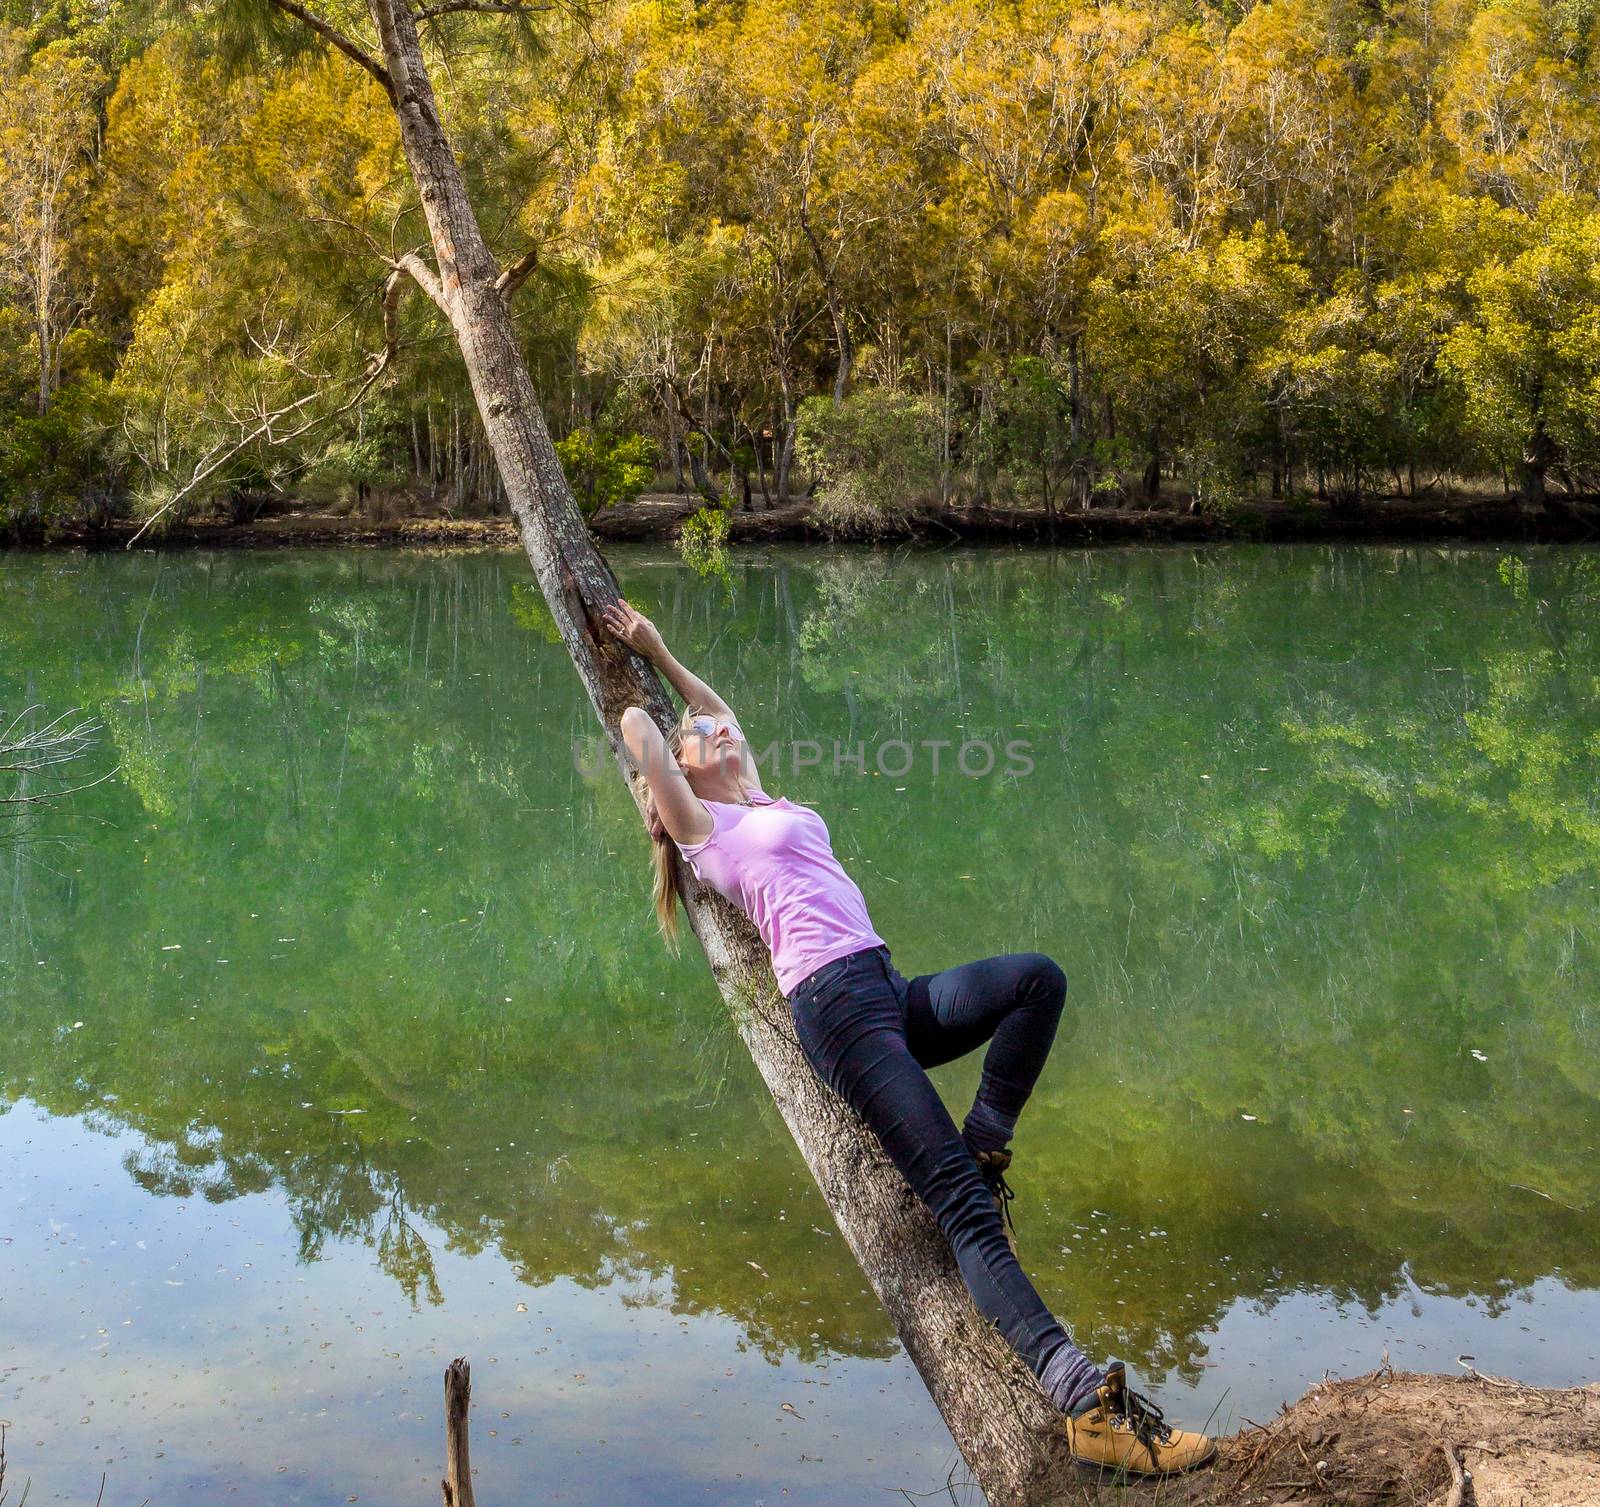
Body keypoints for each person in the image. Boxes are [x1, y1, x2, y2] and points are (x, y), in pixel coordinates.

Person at [602, 596, 1215, 1477]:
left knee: (1038, 979)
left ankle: (987, 1140)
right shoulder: (707, 832)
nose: (721, 731)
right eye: (704, 739)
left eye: (721, 732)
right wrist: (652, 701)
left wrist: (664, 653)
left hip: (885, 986)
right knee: (960, 1207)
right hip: (836, 1012)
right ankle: (1085, 1408)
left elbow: (718, 708)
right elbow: (634, 726)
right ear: (680, 784)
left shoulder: (759, 794)